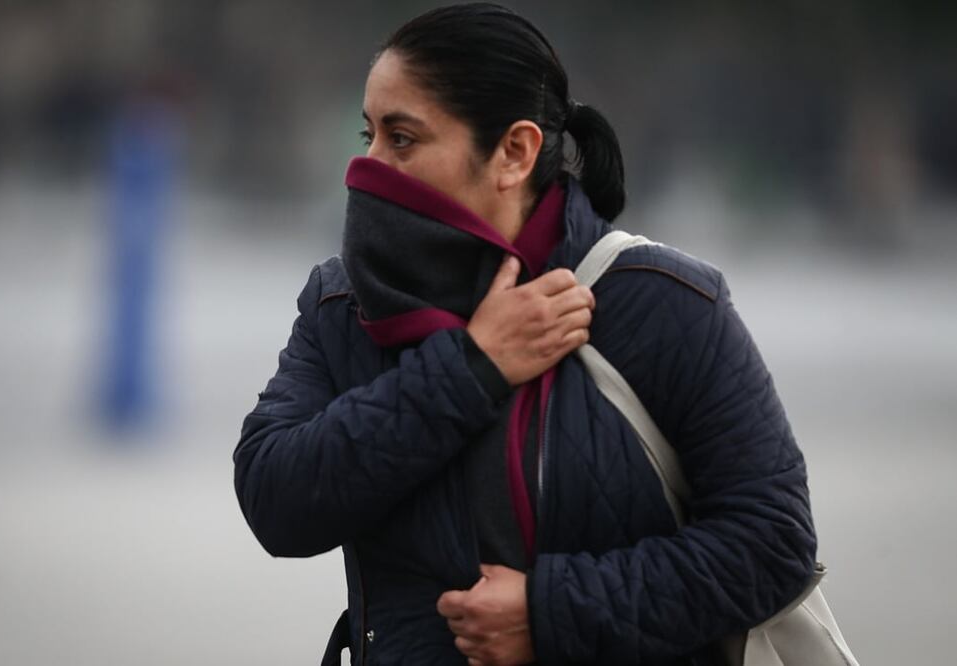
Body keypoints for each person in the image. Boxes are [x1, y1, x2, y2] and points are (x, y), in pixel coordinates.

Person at [233, 4, 816, 665]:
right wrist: (469, 369)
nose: (369, 165)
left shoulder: (665, 303)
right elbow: (275, 501)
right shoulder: (342, 304)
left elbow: (772, 542)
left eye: (402, 138)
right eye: (368, 134)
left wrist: (551, 613)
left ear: (513, 152)